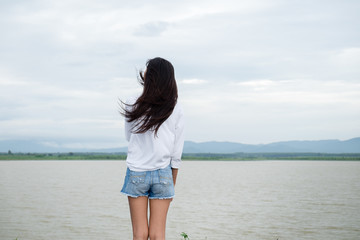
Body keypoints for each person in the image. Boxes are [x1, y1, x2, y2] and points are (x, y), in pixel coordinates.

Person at [120, 57, 185, 240]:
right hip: (164, 174)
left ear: (150, 76)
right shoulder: (176, 107)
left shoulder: (133, 101)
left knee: (139, 234)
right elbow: (176, 153)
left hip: (136, 172)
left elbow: (128, 136)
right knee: (158, 235)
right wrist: (172, 184)